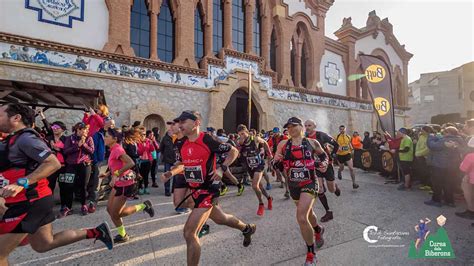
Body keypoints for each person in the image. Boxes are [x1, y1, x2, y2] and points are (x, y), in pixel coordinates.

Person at [0, 103, 113, 265]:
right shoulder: (12, 138)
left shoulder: (26, 138)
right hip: (31, 199)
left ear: (16, 118)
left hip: (30, 202)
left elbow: (52, 163)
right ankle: (97, 231)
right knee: (44, 244)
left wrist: (21, 183)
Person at [161, 110, 256, 265]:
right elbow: (184, 164)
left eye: (184, 121)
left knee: (189, 233)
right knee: (221, 219)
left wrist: (221, 168)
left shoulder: (207, 139)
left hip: (208, 190)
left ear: (196, 123)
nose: (180, 125)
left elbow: (234, 151)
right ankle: (246, 229)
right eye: (179, 122)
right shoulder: (181, 142)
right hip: (194, 190)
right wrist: (171, 173)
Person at [274, 117, 327, 265]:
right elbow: (275, 161)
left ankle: (311, 254)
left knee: (301, 217)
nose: (290, 129)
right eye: (288, 127)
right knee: (308, 214)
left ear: (301, 127)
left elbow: (324, 156)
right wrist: (276, 161)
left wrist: (323, 164)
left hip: (309, 182)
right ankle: (318, 229)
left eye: (293, 126)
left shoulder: (311, 142)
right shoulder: (283, 144)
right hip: (293, 185)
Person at [101, 128, 154, 243]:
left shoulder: (117, 150)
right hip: (119, 183)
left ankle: (143, 207)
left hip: (125, 183)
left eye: (106, 136)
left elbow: (130, 163)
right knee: (110, 210)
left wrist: (115, 174)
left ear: (114, 139)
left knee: (115, 213)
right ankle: (123, 234)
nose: (104, 138)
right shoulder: (113, 149)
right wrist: (107, 174)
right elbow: (116, 165)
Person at [304, 119, 341, 223]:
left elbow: (336, 145)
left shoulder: (322, 135)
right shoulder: (304, 139)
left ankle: (335, 187)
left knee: (331, 190)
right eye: (305, 125)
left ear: (314, 126)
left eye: (309, 125)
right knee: (319, 190)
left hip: (327, 165)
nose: (307, 127)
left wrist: (332, 155)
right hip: (315, 166)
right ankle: (328, 212)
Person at [237, 124, 273, 216]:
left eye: (243, 133)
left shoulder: (255, 139)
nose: (242, 136)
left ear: (247, 132)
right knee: (259, 187)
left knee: (254, 185)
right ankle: (269, 198)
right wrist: (239, 150)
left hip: (259, 165)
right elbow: (238, 153)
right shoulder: (240, 142)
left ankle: (261, 204)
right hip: (250, 166)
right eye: (240, 134)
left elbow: (265, 143)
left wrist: (269, 154)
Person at [425, 127, 464, 207]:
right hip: (452, 166)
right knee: (449, 183)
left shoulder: (444, 140)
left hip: (440, 165)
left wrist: (431, 137)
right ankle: (449, 201)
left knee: (437, 183)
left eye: (444, 132)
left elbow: (432, 146)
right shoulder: (460, 140)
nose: (443, 134)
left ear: (448, 132)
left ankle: (436, 200)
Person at [62, 122, 94, 216]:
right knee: (68, 186)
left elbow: (91, 150)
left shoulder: (89, 138)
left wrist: (83, 145)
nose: (87, 131)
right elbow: (65, 151)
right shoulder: (69, 138)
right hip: (71, 165)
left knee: (83, 186)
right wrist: (77, 146)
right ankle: (68, 207)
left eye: (87, 129)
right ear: (78, 130)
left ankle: (84, 205)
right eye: (85, 129)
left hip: (84, 165)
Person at [87, 118, 115, 213]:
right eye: (111, 124)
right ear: (105, 124)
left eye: (113, 125)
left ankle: (112, 200)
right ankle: (93, 202)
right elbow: (94, 148)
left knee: (114, 180)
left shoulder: (115, 135)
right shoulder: (98, 134)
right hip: (101, 160)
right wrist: (95, 161)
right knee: (97, 182)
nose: (112, 126)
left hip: (113, 159)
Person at [45, 121, 67, 193]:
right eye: (53, 127)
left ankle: (64, 204)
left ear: (63, 130)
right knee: (50, 185)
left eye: (57, 127)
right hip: (51, 167)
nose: (55, 129)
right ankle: (49, 203)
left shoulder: (66, 139)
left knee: (63, 186)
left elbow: (68, 152)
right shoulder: (48, 139)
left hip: (63, 167)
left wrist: (58, 149)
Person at [456, 136, 474, 220]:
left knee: (469, 195)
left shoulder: (470, 156)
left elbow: (463, 168)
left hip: (470, 180)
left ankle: (471, 211)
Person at [137, 127, 155, 195]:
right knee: (141, 175)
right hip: (141, 161)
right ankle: (140, 187)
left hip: (148, 160)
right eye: (141, 134)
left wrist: (151, 143)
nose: (143, 136)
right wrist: (143, 146)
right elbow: (139, 152)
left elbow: (152, 149)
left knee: (146, 175)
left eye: (144, 134)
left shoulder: (148, 141)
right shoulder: (138, 142)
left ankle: (146, 187)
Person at [160, 124, 176, 196]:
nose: (171, 132)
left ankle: (174, 189)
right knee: (167, 175)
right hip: (168, 160)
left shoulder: (177, 138)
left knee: (176, 176)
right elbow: (161, 149)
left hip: (176, 160)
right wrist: (165, 155)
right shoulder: (165, 138)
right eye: (170, 131)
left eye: (172, 131)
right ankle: (167, 190)